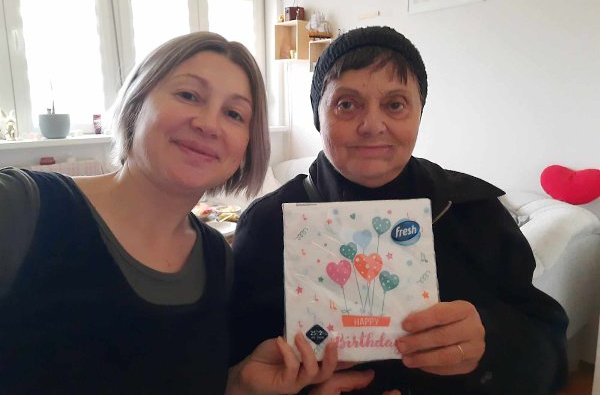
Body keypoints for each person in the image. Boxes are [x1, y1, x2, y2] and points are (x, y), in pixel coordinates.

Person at [231, 26, 569, 395]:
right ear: (318, 116)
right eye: (346, 104)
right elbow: (232, 368)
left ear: (419, 114)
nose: (372, 125)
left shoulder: (473, 210)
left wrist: (492, 341)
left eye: (395, 104)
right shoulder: (267, 225)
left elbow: (550, 350)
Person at [0, 31, 340, 394]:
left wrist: (239, 384)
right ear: (136, 103)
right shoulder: (20, 207)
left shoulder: (216, 260)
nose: (209, 124)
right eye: (188, 95)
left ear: (247, 147)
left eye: (234, 114)